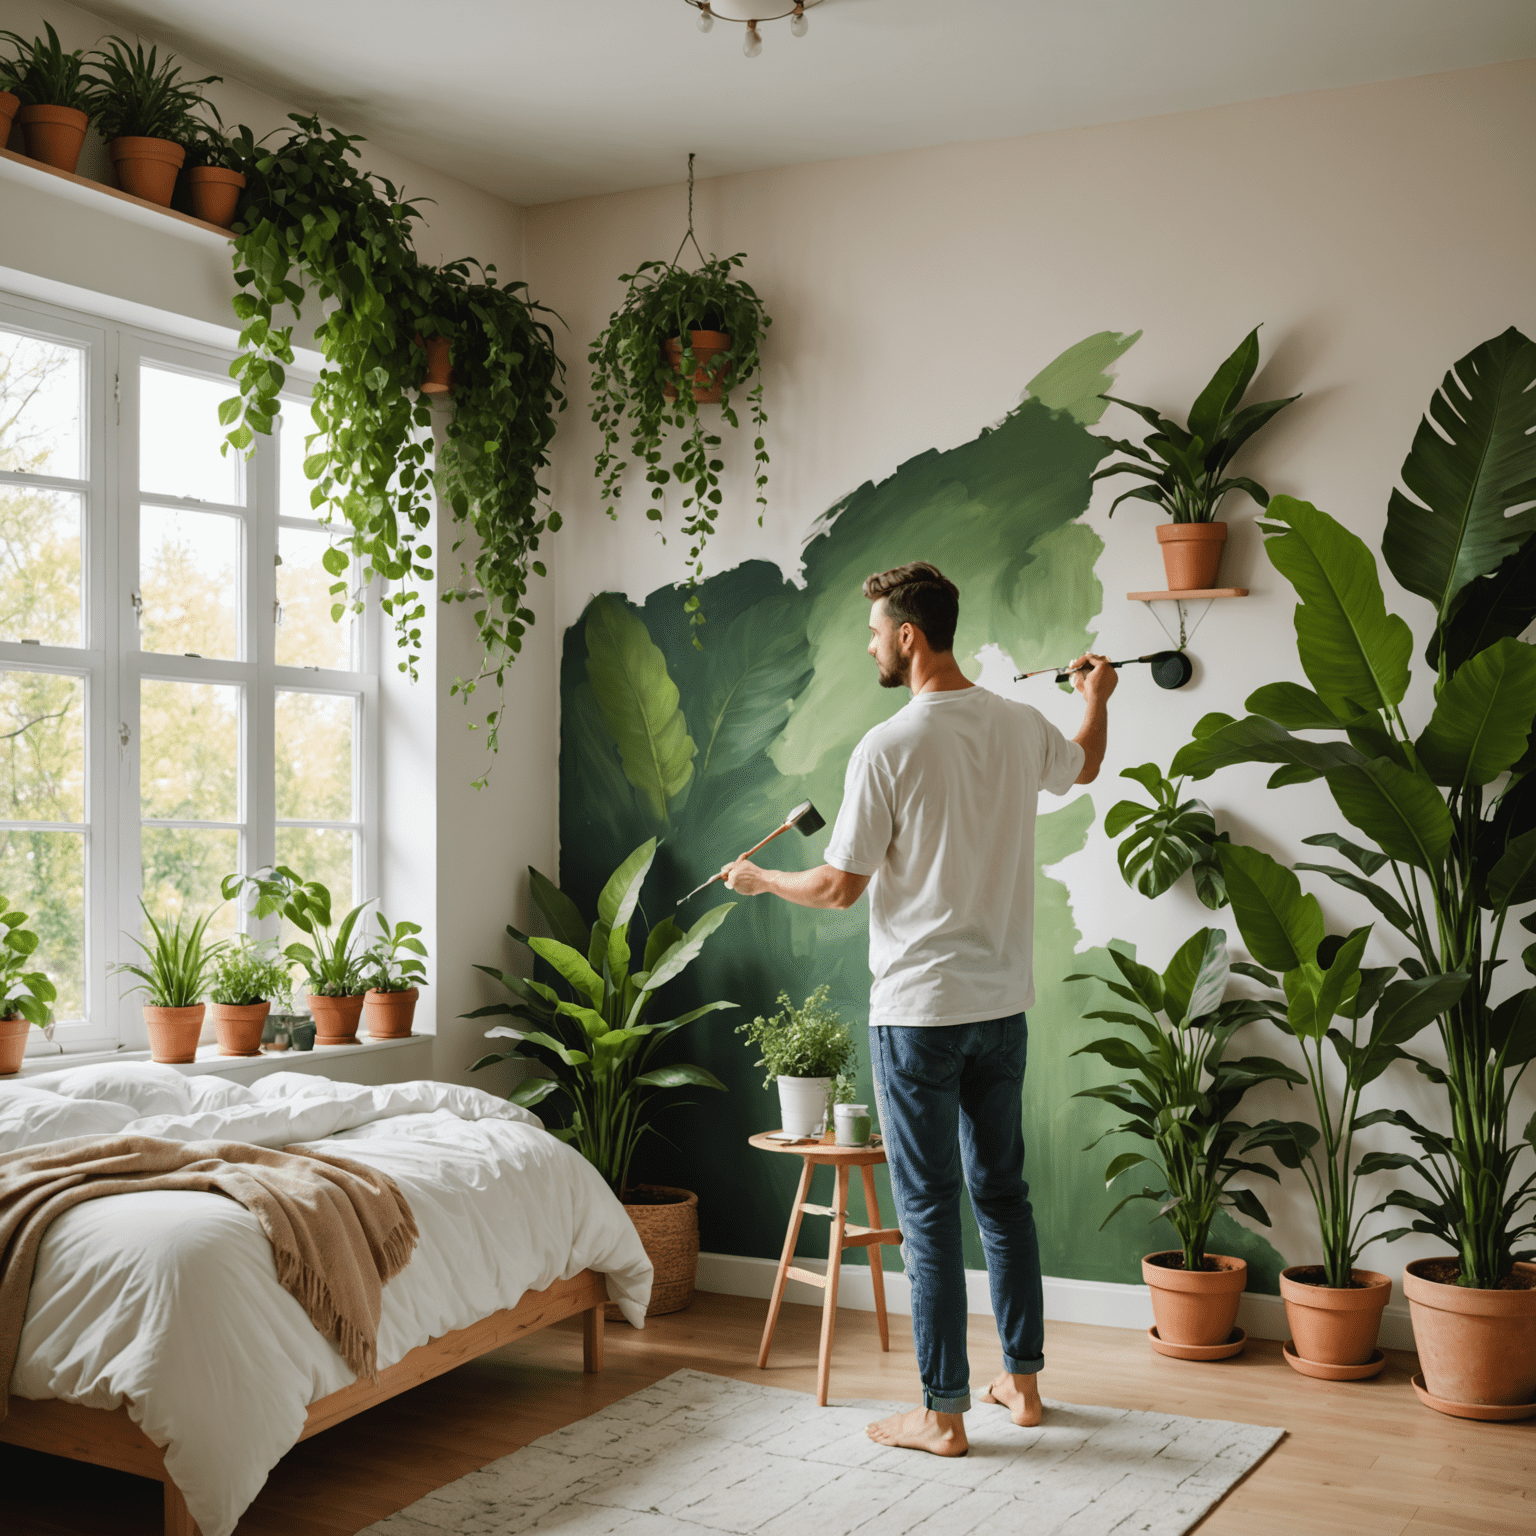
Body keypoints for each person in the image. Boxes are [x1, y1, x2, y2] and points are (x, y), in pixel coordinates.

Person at [721, 561, 1115, 1459]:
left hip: (917, 1018)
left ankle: (941, 1415)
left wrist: (758, 878)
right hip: (1000, 1009)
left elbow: (836, 887)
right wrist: (1098, 693)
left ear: (908, 635)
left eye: (874, 632)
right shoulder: (1019, 727)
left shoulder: (888, 746)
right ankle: (1022, 1383)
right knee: (1003, 1198)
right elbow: (1086, 761)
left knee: (931, 1210)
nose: (870, 646)